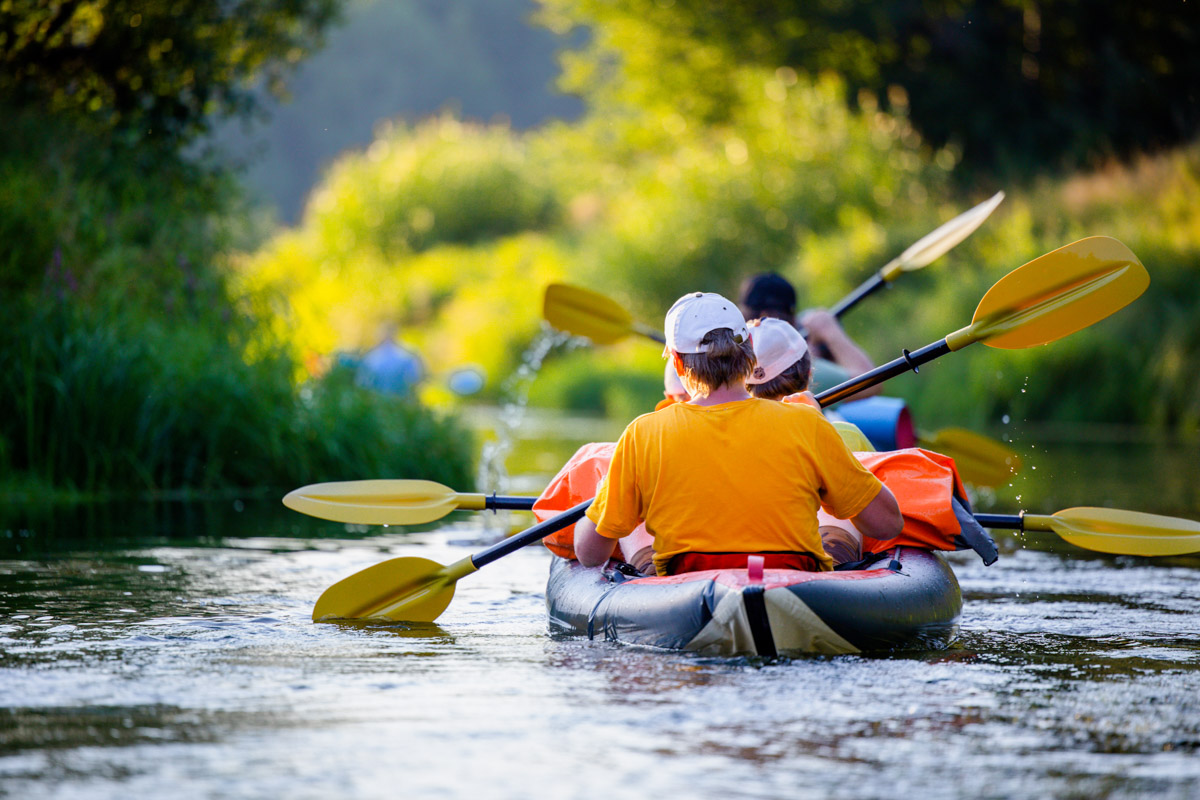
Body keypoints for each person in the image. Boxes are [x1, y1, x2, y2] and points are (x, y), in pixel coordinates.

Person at [573, 291, 902, 576]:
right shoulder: (808, 422)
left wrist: (606, 492)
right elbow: (888, 524)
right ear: (748, 354)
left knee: (625, 517)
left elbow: (591, 554)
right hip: (795, 582)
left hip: (688, 587)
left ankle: (643, 566)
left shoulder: (642, 433)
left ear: (677, 362)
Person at [738, 272, 881, 397]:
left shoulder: (729, 366)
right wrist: (830, 331)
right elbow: (872, 382)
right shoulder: (794, 370)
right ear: (767, 317)